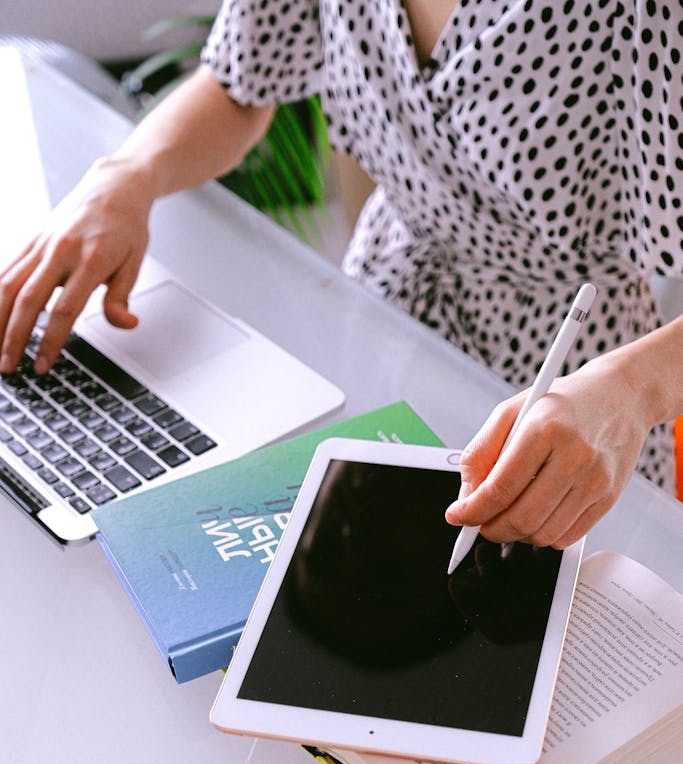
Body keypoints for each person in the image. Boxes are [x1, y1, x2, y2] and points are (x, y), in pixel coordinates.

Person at [1, 0, 681, 551]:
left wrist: (633, 389)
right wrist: (127, 176)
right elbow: (241, 85)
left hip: (580, 397)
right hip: (376, 319)